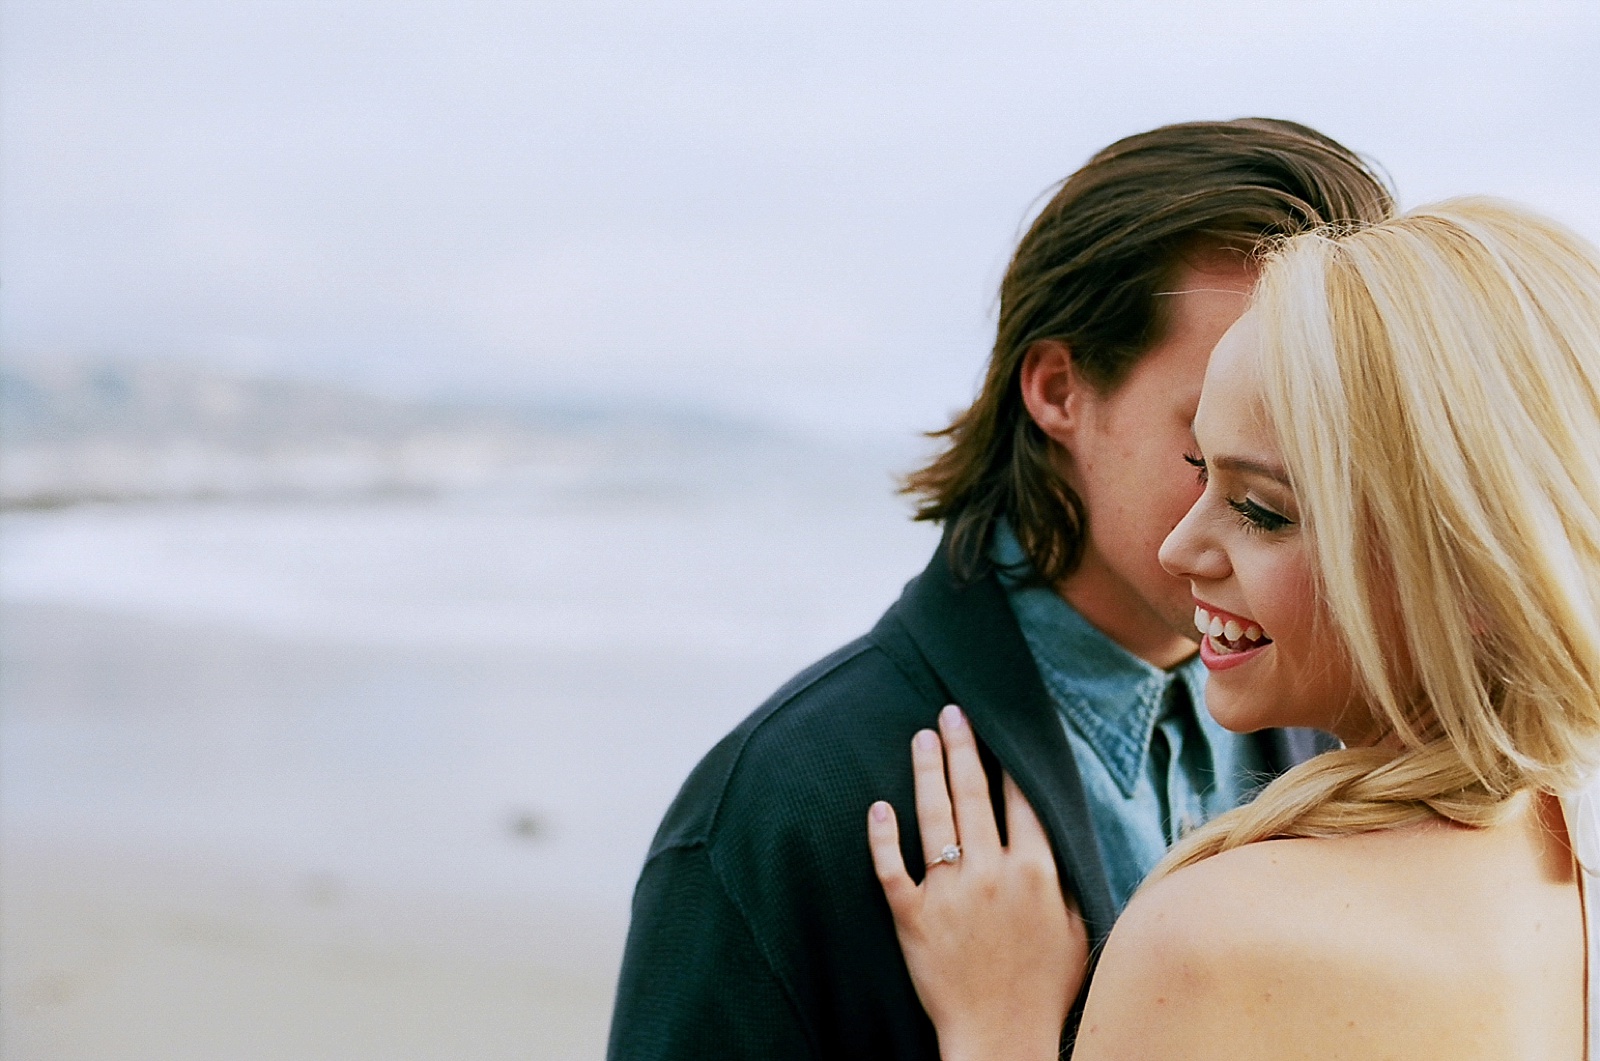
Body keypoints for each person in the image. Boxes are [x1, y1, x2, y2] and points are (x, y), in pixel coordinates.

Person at [606, 118, 1393, 1060]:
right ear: (1060, 389)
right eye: (1215, 433)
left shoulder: (1346, 736)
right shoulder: (792, 807)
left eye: (1330, 439)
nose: (1292, 491)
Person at [869, 197, 1600, 1059]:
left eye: (1261, 509)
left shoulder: (1218, 936)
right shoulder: (1566, 847)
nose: (1181, 548)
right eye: (1198, 468)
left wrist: (1000, 1031)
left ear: (1468, 561)